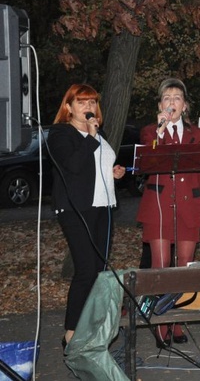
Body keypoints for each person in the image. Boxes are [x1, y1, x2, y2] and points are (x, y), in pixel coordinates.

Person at [136, 77, 200, 347]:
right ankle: (160, 325)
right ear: (160, 105)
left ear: (185, 106)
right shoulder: (150, 131)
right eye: (167, 98)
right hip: (158, 207)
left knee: (184, 268)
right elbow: (147, 160)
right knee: (161, 268)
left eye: (177, 98)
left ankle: (177, 322)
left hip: (190, 207)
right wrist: (160, 132)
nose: (172, 102)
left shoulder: (198, 135)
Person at [48, 84, 126, 348]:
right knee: (85, 270)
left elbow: (96, 167)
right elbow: (72, 165)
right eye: (81, 102)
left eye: (92, 102)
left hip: (102, 207)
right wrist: (91, 139)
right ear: (68, 107)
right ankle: (70, 334)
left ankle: (90, 328)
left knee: (100, 271)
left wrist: (114, 171)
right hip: (75, 209)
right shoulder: (60, 133)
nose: (89, 107)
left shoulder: (98, 133)